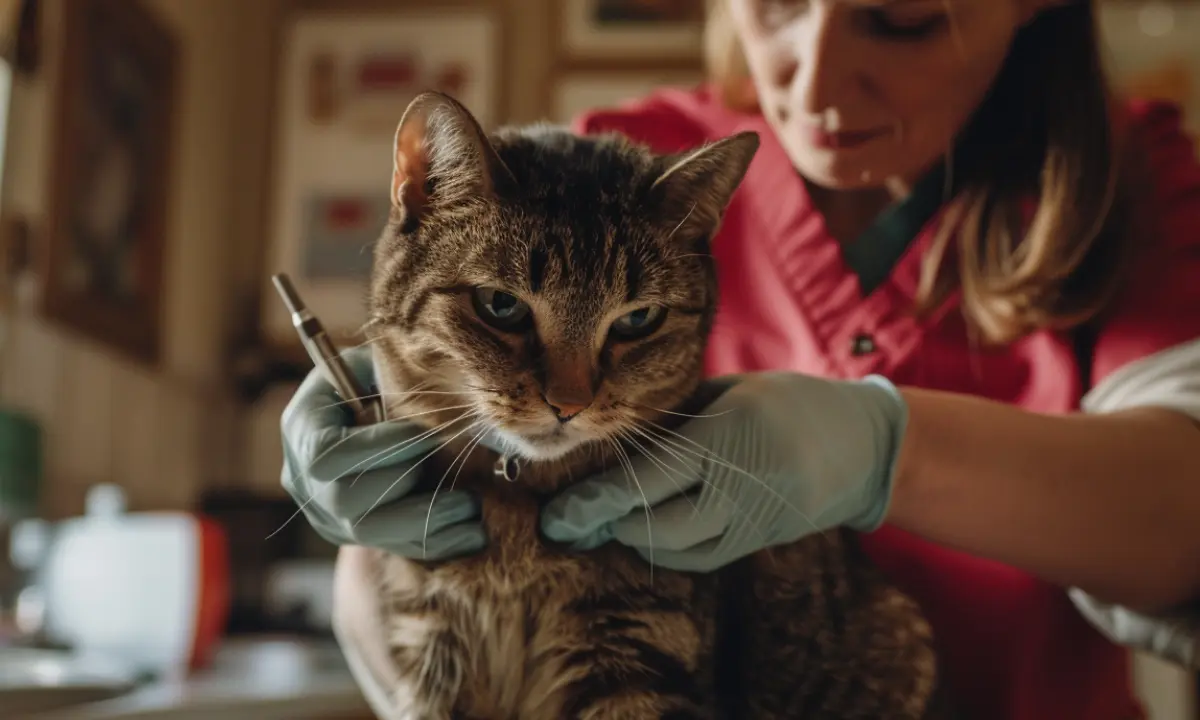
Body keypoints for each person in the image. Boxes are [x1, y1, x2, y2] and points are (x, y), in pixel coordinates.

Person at [279, 0, 1200, 717]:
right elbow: (415, 603)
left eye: (905, 18)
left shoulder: (1129, 178)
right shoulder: (618, 165)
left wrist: (888, 454)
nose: (820, 79)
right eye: (777, 5)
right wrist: (377, 529)